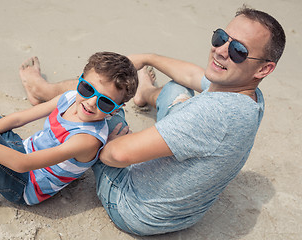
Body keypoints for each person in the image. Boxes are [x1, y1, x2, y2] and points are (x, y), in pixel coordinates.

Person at [18, 6, 286, 236]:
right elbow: (194, 76)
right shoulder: (249, 96)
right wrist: (148, 58)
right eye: (221, 38)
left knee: (102, 93)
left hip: (134, 207)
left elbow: (115, 155)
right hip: (185, 212)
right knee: (176, 89)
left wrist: (112, 141)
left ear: (264, 68)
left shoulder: (210, 114)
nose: (221, 51)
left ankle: (43, 90)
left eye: (238, 50)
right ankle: (145, 93)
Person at [0, 51, 138, 206]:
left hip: (24, 185)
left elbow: (22, 164)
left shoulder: (86, 139)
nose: (91, 102)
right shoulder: (70, 98)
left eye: (105, 103)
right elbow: (18, 118)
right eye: (87, 89)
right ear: (79, 80)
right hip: (22, 149)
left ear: (115, 110)